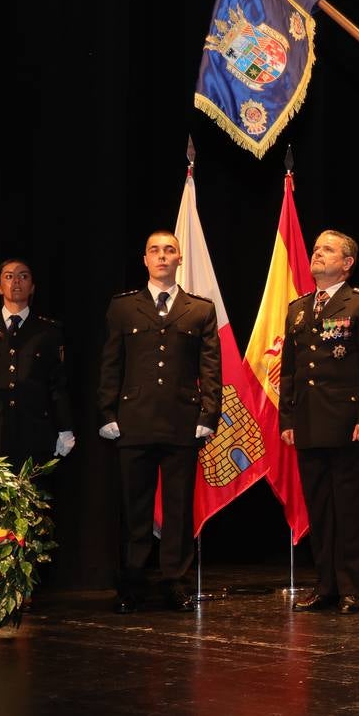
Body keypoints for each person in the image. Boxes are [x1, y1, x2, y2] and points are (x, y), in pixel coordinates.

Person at [97, 232, 221, 613]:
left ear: (179, 258)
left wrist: (208, 415)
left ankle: (173, 583)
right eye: (155, 250)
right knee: (135, 508)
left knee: (179, 508)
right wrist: (108, 413)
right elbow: (112, 363)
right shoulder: (124, 308)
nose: (162, 256)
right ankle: (132, 584)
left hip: (182, 423)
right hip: (134, 421)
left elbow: (211, 367)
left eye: (169, 250)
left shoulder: (199, 309)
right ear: (145, 259)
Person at [280, 231, 359, 615]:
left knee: (348, 508)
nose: (317, 254)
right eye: (315, 249)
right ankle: (324, 585)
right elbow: (289, 371)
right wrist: (288, 419)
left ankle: (350, 587)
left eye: (327, 250)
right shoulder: (298, 308)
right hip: (308, 424)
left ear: (346, 263)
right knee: (320, 508)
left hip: (349, 425)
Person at [0, 259, 75, 465]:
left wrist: (65, 427)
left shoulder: (49, 331)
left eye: (23, 276)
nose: (16, 281)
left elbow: (57, 385)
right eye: (9, 276)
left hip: (34, 435)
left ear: (32, 287)